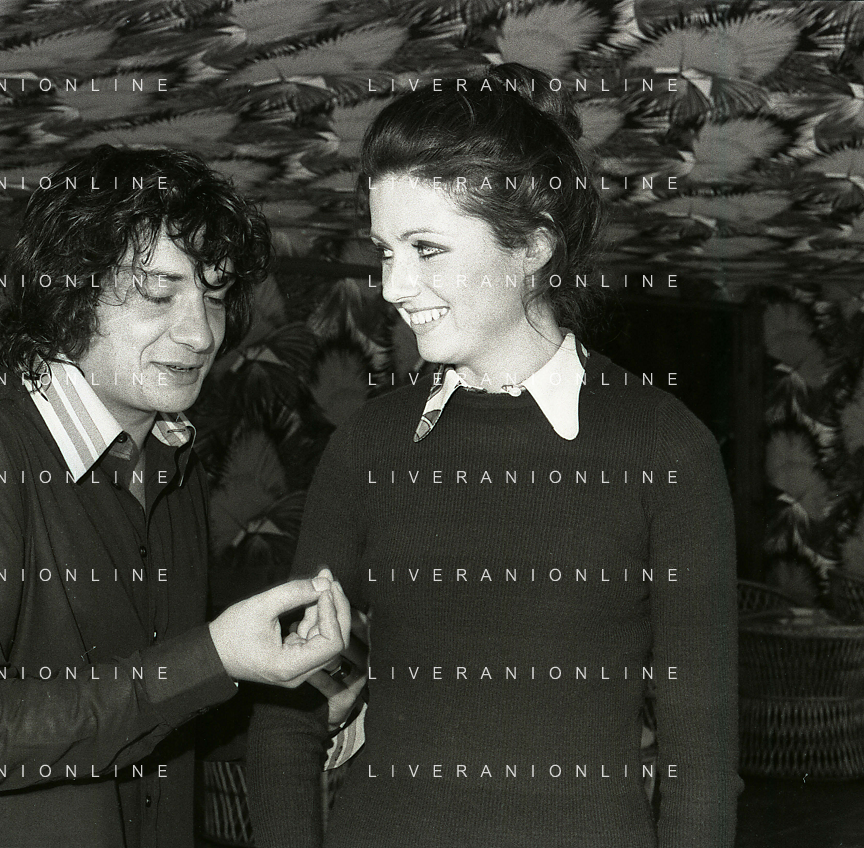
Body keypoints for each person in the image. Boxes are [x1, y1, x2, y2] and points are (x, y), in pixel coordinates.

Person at [246, 64, 740, 848]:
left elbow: (701, 755)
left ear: (533, 247)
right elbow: (286, 712)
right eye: (384, 251)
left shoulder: (663, 446)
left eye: (426, 249)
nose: (393, 286)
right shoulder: (369, 443)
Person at [0, 145, 352, 848]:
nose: (200, 333)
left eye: (213, 295)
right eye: (158, 294)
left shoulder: (172, 459)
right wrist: (209, 658)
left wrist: (297, 699)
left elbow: (146, 713)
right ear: (70, 296)